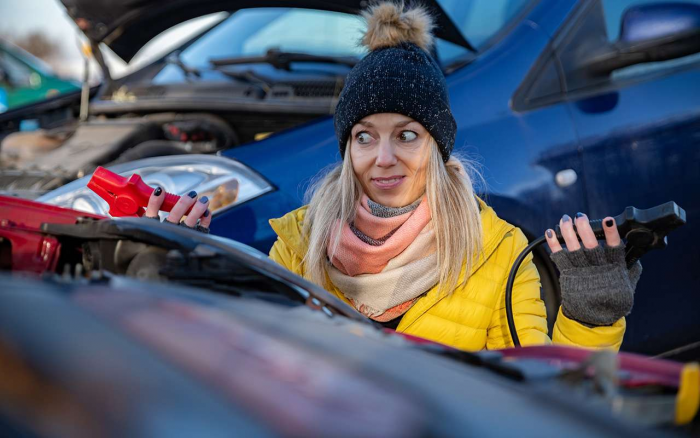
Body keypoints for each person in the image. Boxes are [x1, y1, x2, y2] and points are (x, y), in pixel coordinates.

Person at [145, 2, 641, 351]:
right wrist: (186, 271)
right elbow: (248, 368)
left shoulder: (497, 251)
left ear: (437, 146)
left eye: (406, 136)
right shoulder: (299, 241)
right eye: (364, 136)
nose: (382, 159)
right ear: (346, 147)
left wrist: (590, 320)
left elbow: (543, 400)